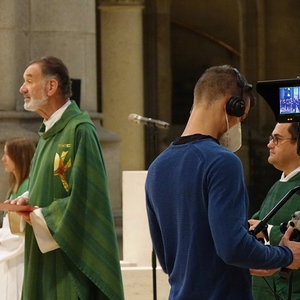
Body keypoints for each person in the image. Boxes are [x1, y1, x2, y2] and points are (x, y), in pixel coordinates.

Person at [145, 65, 300, 300]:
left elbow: (168, 261)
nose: (239, 126)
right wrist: (285, 255)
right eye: (242, 118)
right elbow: (232, 248)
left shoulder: (157, 167)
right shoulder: (222, 161)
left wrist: (251, 256)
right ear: (231, 105)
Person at [5, 56, 124, 300]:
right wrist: (25, 200)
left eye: (29, 80)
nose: (22, 88)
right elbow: (51, 187)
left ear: (51, 87)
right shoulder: (49, 134)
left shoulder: (80, 130)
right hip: (43, 259)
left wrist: (38, 215)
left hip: (68, 267)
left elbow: (87, 201)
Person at [249, 122, 300, 299]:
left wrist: (267, 231)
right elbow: (253, 224)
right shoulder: (279, 185)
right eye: (271, 138)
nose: (269, 144)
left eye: (277, 139)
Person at [0, 137, 35, 300]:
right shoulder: (13, 187)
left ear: (20, 156)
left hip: (19, 255)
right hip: (8, 252)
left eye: (8, 154)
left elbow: (21, 231)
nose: (3, 159)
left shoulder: (27, 188)